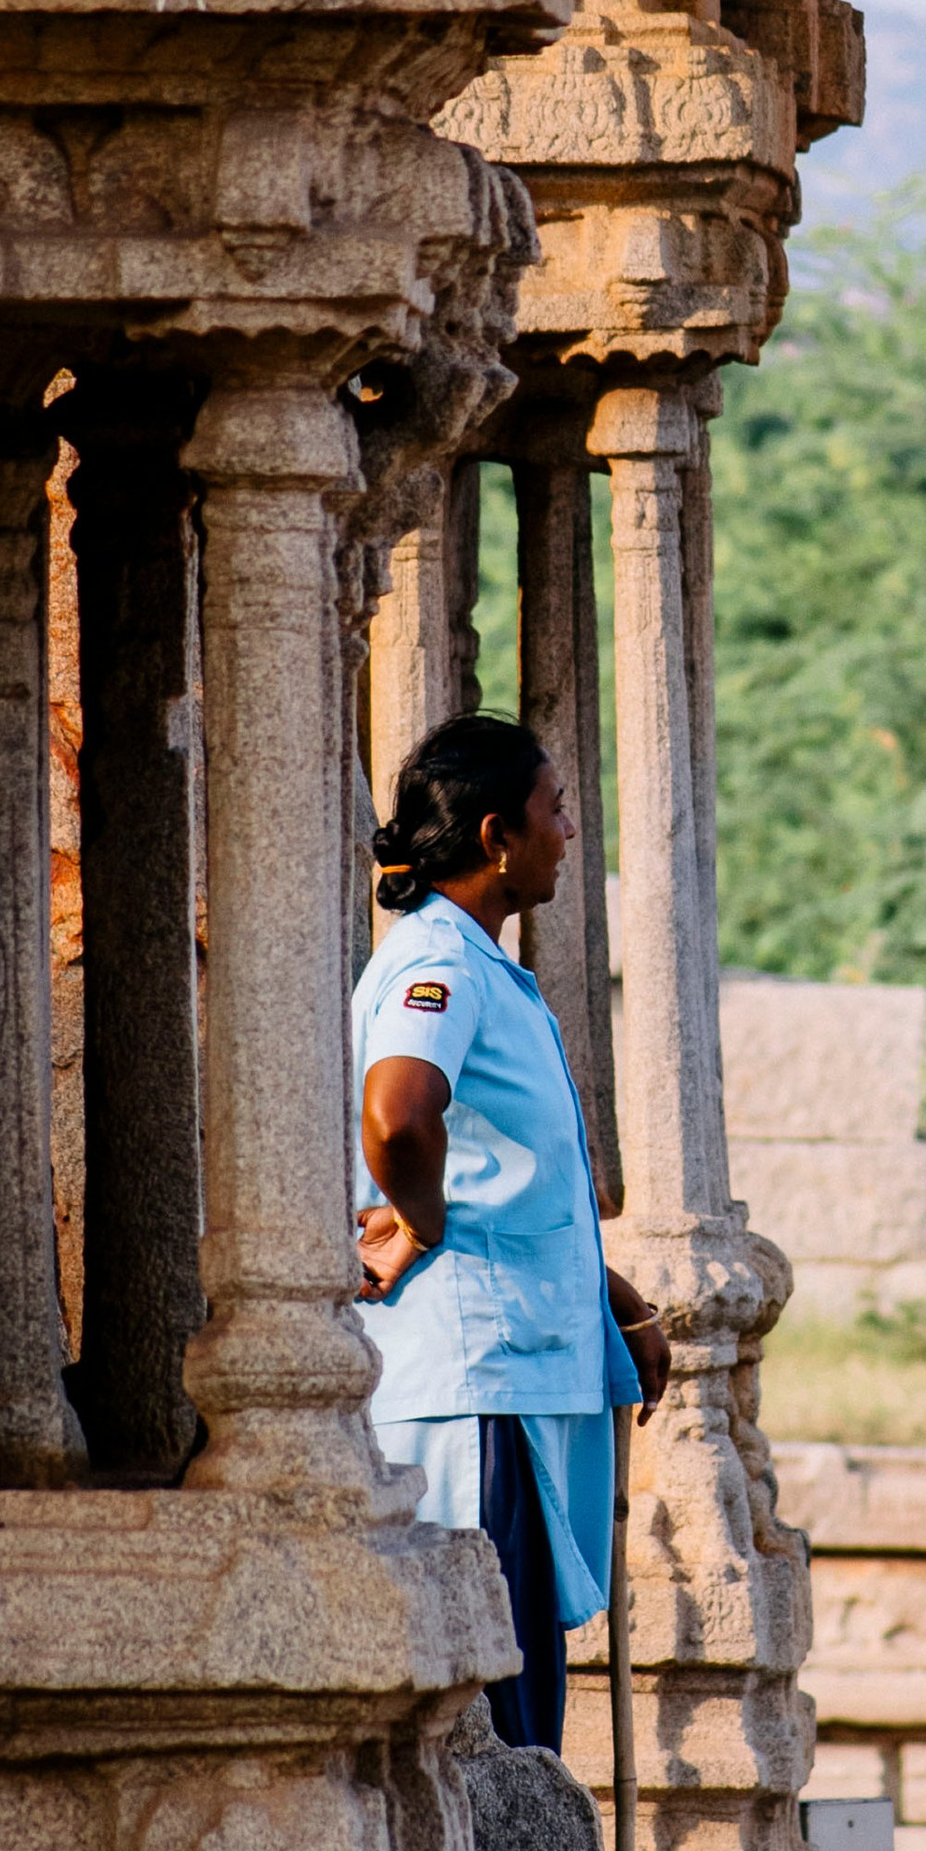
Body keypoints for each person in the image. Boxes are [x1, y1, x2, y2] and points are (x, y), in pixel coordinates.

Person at [352, 711, 669, 1752]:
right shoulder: (432, 963)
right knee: (492, 1722)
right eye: (555, 810)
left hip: (522, 1370)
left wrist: (624, 1308)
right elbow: (399, 1114)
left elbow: (521, 1188)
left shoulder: (487, 970)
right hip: (475, 1388)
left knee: (523, 1692)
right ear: (498, 835)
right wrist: (421, 1220)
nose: (568, 833)